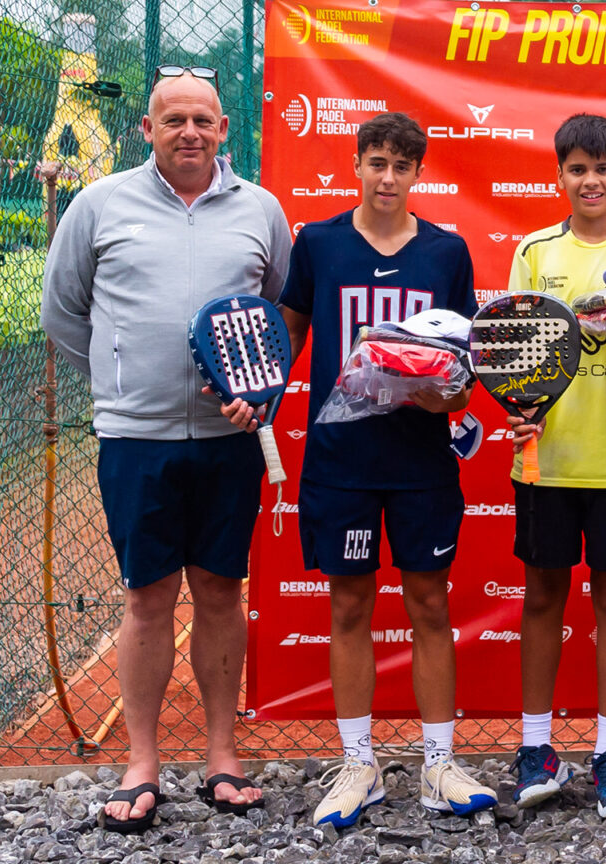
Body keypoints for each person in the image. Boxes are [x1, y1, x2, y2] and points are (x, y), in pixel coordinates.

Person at [40, 66, 291, 833]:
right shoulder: (98, 203)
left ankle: (221, 756)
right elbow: (63, 313)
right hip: (134, 440)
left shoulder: (261, 211)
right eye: (173, 119)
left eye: (202, 120)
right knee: (147, 599)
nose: (189, 132)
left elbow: (273, 313)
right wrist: (124, 383)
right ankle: (142, 763)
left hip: (228, 441)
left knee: (220, 592)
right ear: (146, 129)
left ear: (223, 130)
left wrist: (253, 389)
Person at [258, 112, 494, 828]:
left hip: (421, 461)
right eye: (377, 163)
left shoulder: (447, 252)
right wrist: (253, 390)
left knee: (430, 604)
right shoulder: (319, 243)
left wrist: (447, 397)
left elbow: (461, 374)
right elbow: (288, 337)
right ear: (356, 165)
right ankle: (358, 764)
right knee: (349, 606)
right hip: (342, 462)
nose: (387, 178)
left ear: (419, 173)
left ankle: (439, 765)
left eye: (401, 166)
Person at [505, 114, 606, 818]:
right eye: (577, 169)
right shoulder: (534, 250)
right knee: (543, 597)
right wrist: (519, 408)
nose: (591, 180)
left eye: (603, 168)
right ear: (560, 176)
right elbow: (515, 353)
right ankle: (534, 747)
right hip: (547, 460)